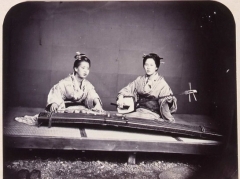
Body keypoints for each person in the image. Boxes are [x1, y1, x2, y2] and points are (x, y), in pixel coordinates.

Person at [116, 53, 177, 122]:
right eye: (146, 64)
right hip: (138, 111)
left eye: (151, 65)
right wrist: (121, 97)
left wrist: (169, 101)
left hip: (152, 114)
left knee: (131, 119)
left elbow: (167, 103)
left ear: (156, 67)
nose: (148, 67)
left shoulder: (162, 83)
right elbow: (127, 89)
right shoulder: (139, 80)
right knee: (122, 117)